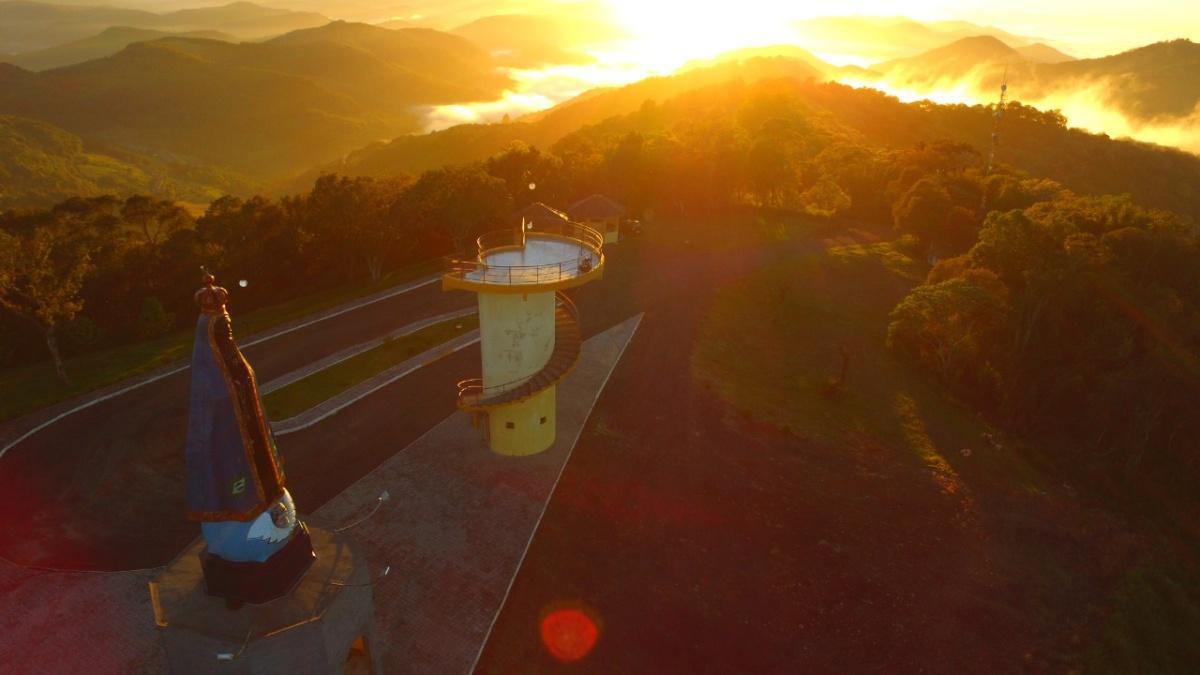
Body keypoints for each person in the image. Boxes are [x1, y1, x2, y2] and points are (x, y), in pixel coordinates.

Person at [184, 269, 313, 606]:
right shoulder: (208, 381)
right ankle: (249, 545)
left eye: (228, 327)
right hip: (230, 455)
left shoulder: (238, 365)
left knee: (261, 479)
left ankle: (268, 518)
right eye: (221, 328)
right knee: (234, 480)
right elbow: (210, 425)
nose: (227, 333)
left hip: (252, 449)